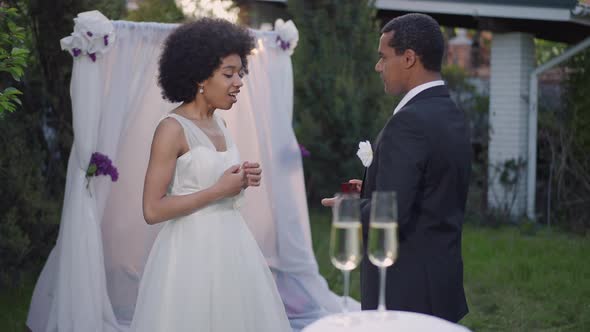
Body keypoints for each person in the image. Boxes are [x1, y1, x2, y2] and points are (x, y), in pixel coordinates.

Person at [130, 18, 291, 332]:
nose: (238, 82)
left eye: (239, 73)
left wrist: (239, 179)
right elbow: (152, 210)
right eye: (228, 74)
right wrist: (219, 190)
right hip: (190, 255)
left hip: (232, 248)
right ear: (199, 76)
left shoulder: (221, 124)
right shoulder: (171, 130)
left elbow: (215, 182)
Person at [323, 13, 471, 323]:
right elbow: (432, 187)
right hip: (441, 283)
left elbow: (391, 214)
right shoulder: (451, 112)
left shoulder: (409, 122)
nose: (378, 66)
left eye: (383, 57)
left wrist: (346, 207)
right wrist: (372, 186)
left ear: (408, 58)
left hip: (405, 290)